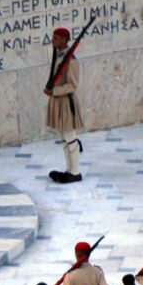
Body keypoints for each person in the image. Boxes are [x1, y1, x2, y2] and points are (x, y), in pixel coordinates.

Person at [43, 27, 84, 183]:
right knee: (63, 137)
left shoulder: (71, 59)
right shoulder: (59, 56)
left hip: (66, 102)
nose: (52, 41)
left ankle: (76, 172)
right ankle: (69, 170)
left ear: (64, 40)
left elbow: (72, 85)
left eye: (56, 38)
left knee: (70, 136)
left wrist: (54, 91)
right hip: (58, 102)